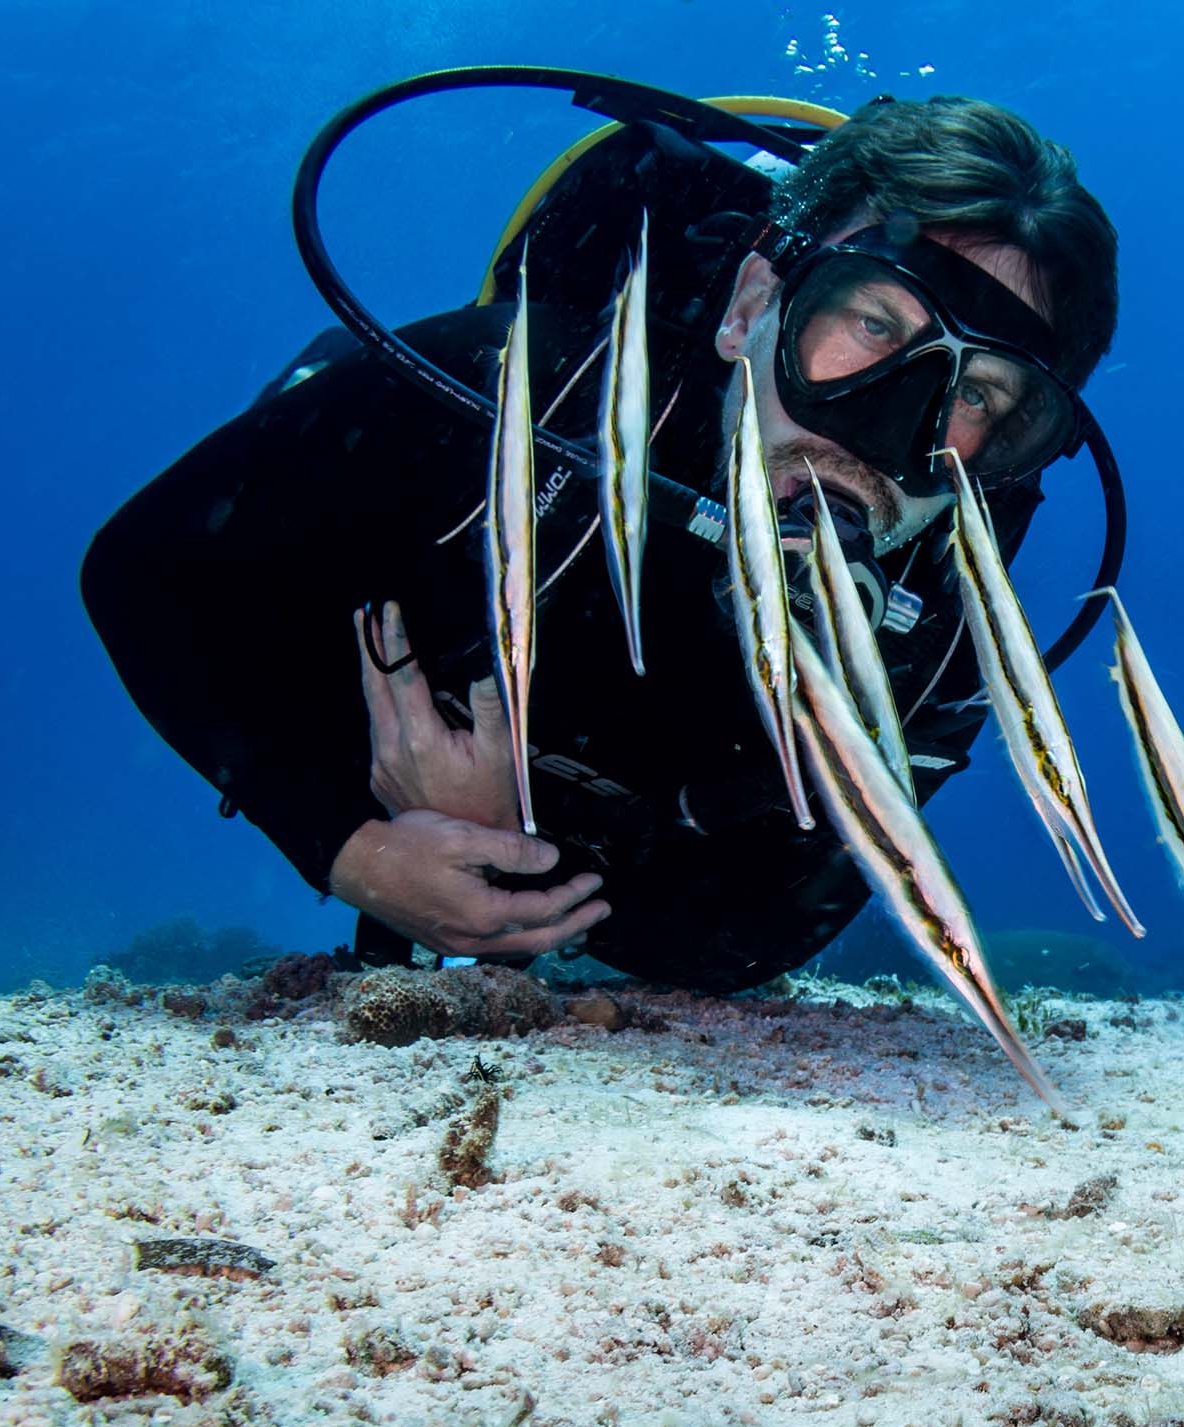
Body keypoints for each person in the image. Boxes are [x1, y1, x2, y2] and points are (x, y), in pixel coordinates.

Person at [83, 82, 1122, 993]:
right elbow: (146, 571)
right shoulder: (514, 392)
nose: (890, 429)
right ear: (752, 305)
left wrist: (517, 845)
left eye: (980, 392)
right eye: (873, 325)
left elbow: (747, 940)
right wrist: (344, 841)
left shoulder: (938, 623)